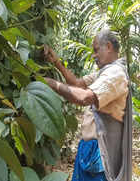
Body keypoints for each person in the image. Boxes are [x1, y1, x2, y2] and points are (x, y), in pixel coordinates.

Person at [43, 29, 132, 181]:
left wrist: (51, 83)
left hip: (100, 153)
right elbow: (77, 83)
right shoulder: (103, 73)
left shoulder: (116, 74)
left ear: (109, 46)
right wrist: (56, 62)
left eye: (96, 50)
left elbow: (84, 97)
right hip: (88, 148)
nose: (94, 55)